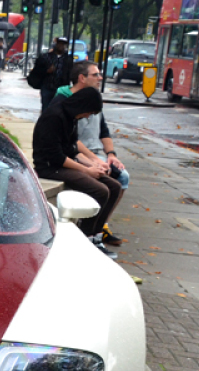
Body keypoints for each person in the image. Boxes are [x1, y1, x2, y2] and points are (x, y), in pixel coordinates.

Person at [32, 84, 122, 258]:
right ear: (82, 106)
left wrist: (94, 164)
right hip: (49, 168)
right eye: (89, 112)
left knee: (114, 186)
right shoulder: (54, 116)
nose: (88, 116)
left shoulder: (71, 118)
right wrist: (86, 171)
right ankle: (85, 237)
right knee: (100, 190)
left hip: (64, 163)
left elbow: (73, 148)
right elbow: (55, 156)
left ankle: (96, 236)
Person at [47, 61, 130, 247]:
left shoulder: (85, 103)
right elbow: (62, 151)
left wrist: (109, 155)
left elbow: (102, 132)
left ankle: (99, 230)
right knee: (101, 188)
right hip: (59, 163)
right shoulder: (61, 107)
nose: (101, 78)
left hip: (82, 156)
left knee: (118, 181)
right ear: (82, 78)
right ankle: (87, 237)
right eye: (96, 75)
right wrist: (88, 167)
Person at [28, 36, 73, 111]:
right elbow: (36, 71)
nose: (61, 46)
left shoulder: (68, 59)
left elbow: (70, 74)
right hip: (47, 87)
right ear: (56, 44)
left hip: (61, 89)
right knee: (46, 108)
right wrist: (46, 71)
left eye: (64, 44)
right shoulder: (45, 57)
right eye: (60, 44)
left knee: (58, 108)